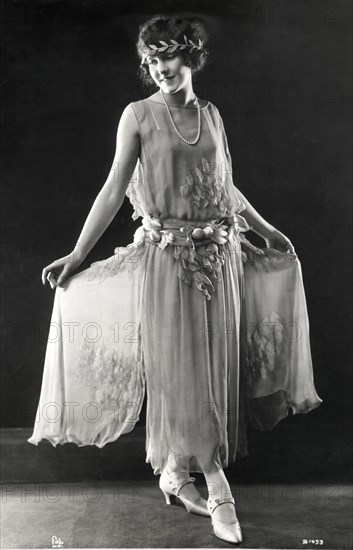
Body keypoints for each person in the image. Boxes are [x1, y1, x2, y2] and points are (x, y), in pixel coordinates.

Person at [27, 14, 323, 545]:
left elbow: (227, 187)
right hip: (168, 265)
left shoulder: (211, 114)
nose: (157, 67)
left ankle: (174, 473)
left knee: (212, 371)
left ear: (190, 55)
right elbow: (114, 188)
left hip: (220, 259)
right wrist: (77, 253)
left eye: (166, 55)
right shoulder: (138, 115)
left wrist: (268, 229)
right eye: (151, 58)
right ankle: (217, 486)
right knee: (181, 373)